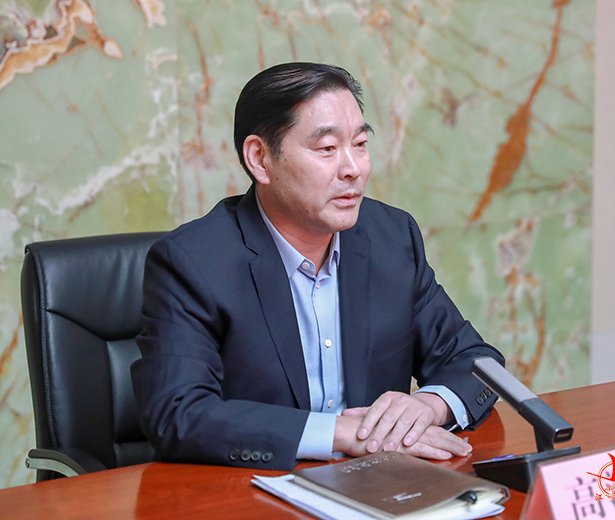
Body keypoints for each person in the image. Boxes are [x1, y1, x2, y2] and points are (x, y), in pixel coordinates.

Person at [132, 62, 504, 471]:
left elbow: (477, 362)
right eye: (327, 149)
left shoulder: (391, 237)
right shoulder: (194, 262)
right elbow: (178, 412)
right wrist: (339, 434)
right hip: (252, 488)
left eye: (360, 144)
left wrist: (429, 406)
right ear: (260, 158)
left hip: (379, 484)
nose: (353, 168)